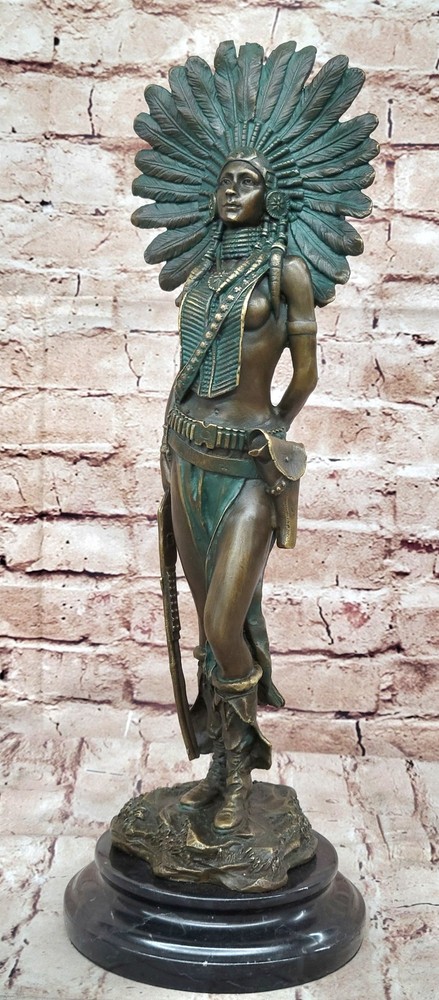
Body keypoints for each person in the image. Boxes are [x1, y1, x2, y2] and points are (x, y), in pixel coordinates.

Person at [159, 149, 318, 835]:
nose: (231, 189)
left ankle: (244, 765)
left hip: (248, 470)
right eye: (224, 179)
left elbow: (305, 373)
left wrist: (273, 429)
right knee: (206, 629)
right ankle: (223, 770)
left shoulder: (287, 274)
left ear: (270, 195)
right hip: (187, 458)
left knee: (226, 625)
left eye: (246, 181)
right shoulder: (204, 269)